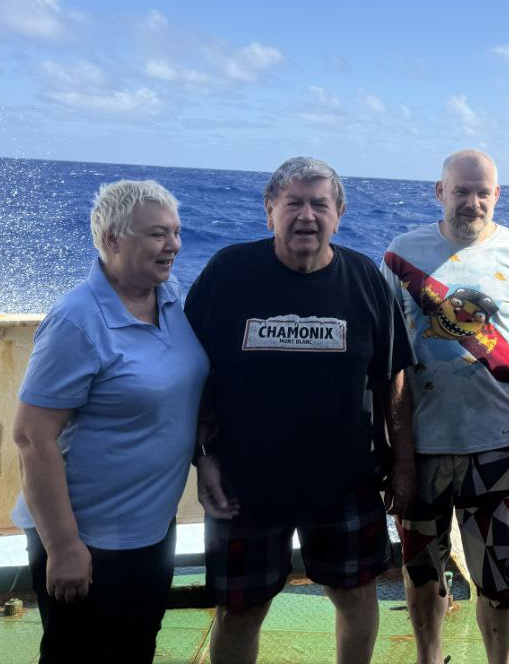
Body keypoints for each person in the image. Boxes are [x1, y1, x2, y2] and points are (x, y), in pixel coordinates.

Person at [185, 157, 414, 664]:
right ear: (269, 211)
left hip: (345, 481)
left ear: (339, 214)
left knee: (356, 598)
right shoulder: (228, 272)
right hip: (245, 486)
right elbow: (191, 371)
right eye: (293, 203)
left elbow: (392, 378)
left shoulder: (364, 279)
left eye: (319, 204)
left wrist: (403, 463)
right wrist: (202, 456)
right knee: (239, 612)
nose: (306, 215)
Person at [12, 180, 208, 664]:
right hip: (88, 536)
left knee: (136, 648)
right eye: (158, 234)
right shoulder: (77, 322)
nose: (174, 245)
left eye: (176, 232)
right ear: (111, 239)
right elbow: (32, 438)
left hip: (151, 529)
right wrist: (64, 547)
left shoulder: (167, 296)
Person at [381, 149, 509, 664]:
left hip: (497, 451)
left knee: (501, 584)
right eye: (460, 191)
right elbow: (389, 361)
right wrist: (396, 455)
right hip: (423, 450)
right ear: (440, 192)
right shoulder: (401, 254)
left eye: (482, 192)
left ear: (496, 195)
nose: (471, 202)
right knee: (422, 576)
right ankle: (429, 658)